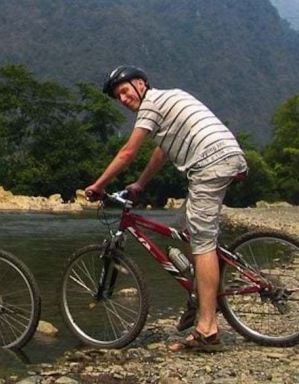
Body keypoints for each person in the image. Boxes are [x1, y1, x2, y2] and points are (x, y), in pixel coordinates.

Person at [84, 66, 247, 352]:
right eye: (117, 96)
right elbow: (162, 151)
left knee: (202, 241)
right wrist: (141, 183)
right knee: (185, 227)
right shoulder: (167, 101)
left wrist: (98, 185)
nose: (122, 98)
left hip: (211, 163)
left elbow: (128, 152)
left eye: (124, 91)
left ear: (141, 84)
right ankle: (200, 295)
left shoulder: (151, 104)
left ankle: (207, 329)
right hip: (223, 157)